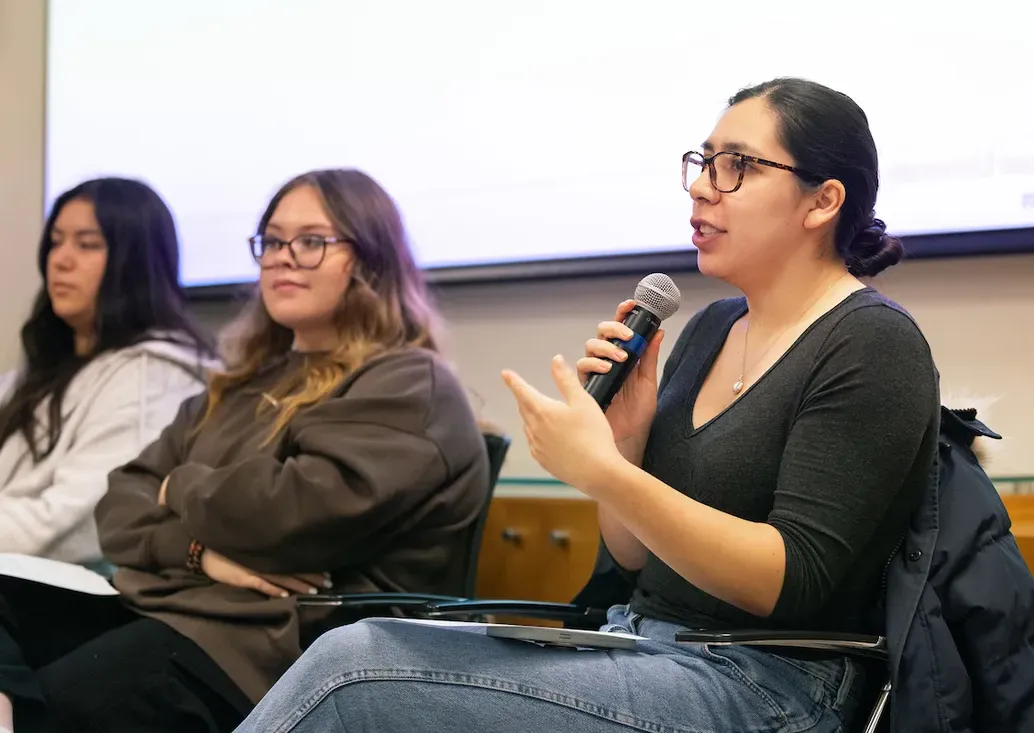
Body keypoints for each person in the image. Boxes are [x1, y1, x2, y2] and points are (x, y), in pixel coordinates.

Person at [236, 78, 941, 732]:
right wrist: (627, 442)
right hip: (640, 642)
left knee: (352, 673)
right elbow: (635, 559)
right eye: (702, 162)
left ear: (823, 201)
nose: (701, 187)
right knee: (359, 646)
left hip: (770, 680)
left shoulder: (871, 343)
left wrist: (606, 471)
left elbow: (789, 579)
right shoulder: (711, 329)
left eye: (738, 166)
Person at [0, 169, 489, 732]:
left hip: (268, 651)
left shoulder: (406, 382)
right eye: (273, 241)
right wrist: (197, 552)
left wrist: (175, 485)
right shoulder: (242, 384)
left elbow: (288, 514)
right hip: (167, 607)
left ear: (371, 261)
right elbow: (120, 505)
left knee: (66, 702)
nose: (282, 257)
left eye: (311, 242)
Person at [0, 177, 214, 567]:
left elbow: (78, 526)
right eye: (56, 241)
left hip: (65, 597)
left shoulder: (153, 375)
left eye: (87, 244)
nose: (61, 259)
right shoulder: (42, 368)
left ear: (134, 262)